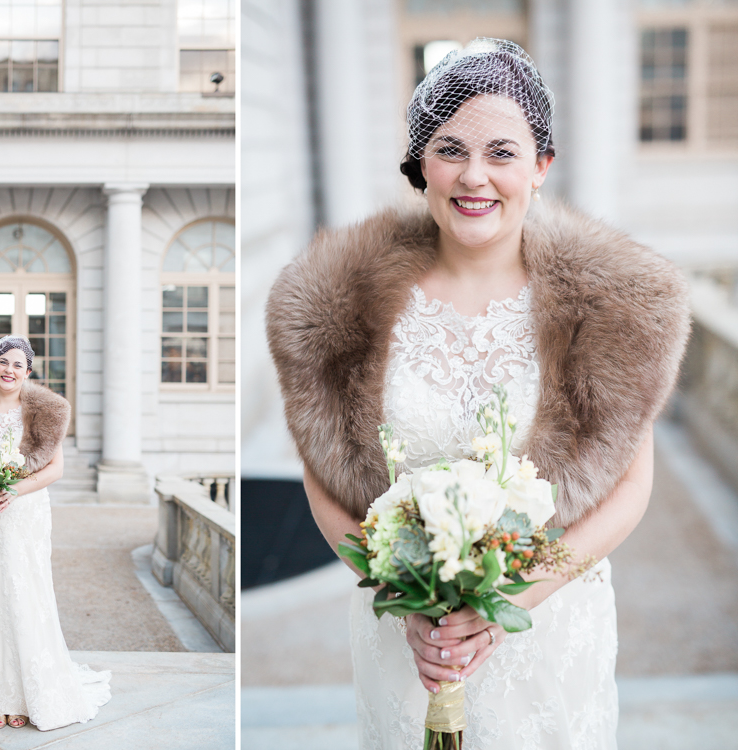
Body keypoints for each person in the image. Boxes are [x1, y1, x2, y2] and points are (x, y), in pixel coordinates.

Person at [266, 39, 689, 749]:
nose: (474, 176)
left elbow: (631, 487)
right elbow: (325, 476)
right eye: (449, 149)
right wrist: (402, 600)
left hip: (549, 633)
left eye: (502, 152)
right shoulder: (340, 305)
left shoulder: (613, 308)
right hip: (405, 643)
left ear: (541, 166)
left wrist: (508, 603)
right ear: (419, 165)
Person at [0, 334, 111, 731]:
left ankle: (23, 693)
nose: (10, 370)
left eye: (18, 364)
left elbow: (54, 469)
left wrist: (12, 491)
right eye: (4, 362)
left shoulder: (43, 412)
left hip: (25, 512)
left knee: (23, 591)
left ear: (28, 371)